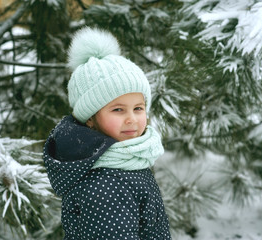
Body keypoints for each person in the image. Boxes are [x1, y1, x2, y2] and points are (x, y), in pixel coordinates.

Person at [43, 27, 171, 240]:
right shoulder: (105, 184)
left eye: (138, 108)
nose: (131, 118)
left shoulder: (124, 162)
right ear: (90, 118)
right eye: (118, 109)